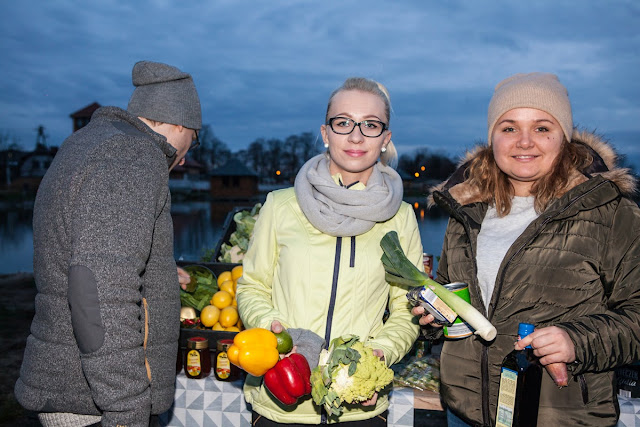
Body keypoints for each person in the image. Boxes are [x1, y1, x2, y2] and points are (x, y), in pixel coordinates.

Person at [413, 72, 640, 426]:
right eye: (509, 128)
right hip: (465, 411)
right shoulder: (467, 209)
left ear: (563, 137)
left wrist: (576, 341)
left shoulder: (611, 211)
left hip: (558, 415)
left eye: (542, 128)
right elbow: (449, 294)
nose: (524, 142)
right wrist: (433, 318)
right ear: (492, 137)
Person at [15, 60, 202, 427]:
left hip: (75, 387)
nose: (185, 157)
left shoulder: (90, 143)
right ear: (181, 124)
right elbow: (98, 291)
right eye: (193, 140)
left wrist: (160, 275)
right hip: (92, 403)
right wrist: (126, 409)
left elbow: (90, 253)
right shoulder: (132, 156)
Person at [236, 77, 423, 425]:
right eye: (343, 123)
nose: (356, 135)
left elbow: (406, 308)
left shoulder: (401, 218)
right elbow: (252, 287)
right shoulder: (280, 206)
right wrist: (274, 335)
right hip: (283, 404)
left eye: (370, 125)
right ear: (325, 133)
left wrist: (378, 356)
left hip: (359, 408)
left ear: (385, 139)